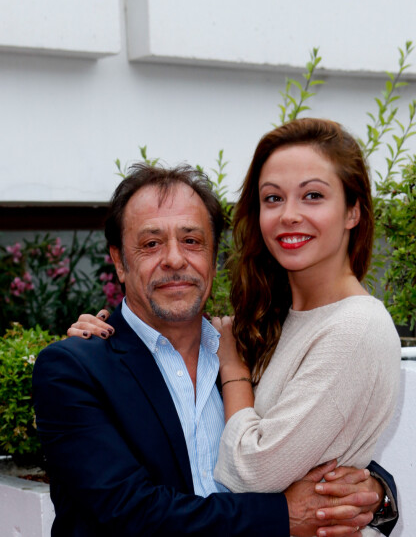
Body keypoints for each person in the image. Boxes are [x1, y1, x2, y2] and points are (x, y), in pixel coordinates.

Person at [33, 162, 392, 537]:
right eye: (151, 244)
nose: (174, 259)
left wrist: (375, 492)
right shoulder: (74, 370)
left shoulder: (249, 352)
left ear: (213, 257)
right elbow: (132, 514)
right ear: (120, 262)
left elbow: (308, 441)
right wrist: (284, 515)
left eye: (192, 241)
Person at [211, 118, 401, 536]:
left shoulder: (355, 327)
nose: (289, 215)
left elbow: (253, 472)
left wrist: (235, 372)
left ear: (353, 210)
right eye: (273, 198)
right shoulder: (275, 319)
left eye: (313, 195)